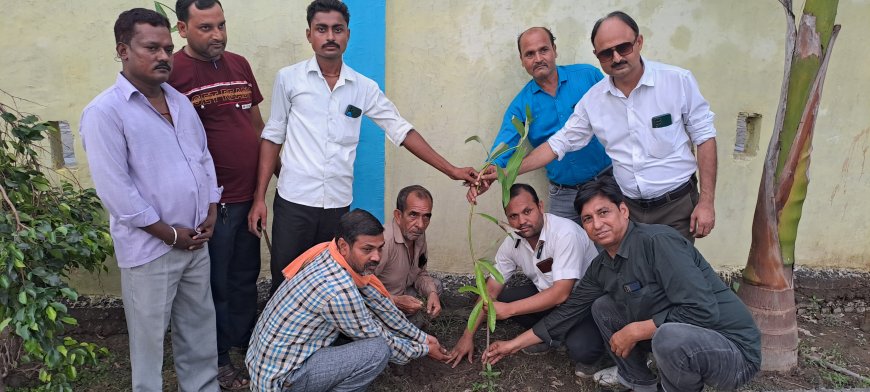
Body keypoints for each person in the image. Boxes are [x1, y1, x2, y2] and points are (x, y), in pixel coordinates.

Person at [249, 0, 478, 295]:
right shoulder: (289, 79)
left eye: (337, 29)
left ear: (347, 34)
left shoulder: (362, 87)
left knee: (330, 284)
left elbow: (400, 129)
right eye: (322, 29)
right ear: (309, 34)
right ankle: (278, 340)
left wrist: (451, 170)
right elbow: (273, 135)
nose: (330, 36)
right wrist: (259, 198)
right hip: (294, 201)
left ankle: (327, 343)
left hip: (337, 205)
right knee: (286, 281)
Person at [481, 177, 760, 392]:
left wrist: (636, 330)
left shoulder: (658, 242)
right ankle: (642, 384)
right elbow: (568, 311)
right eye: (588, 219)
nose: (597, 224)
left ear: (623, 211)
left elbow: (703, 311)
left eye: (604, 213)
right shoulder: (602, 266)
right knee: (602, 306)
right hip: (684, 339)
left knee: (668, 336)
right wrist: (512, 345)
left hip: (732, 351)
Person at [472, 11, 717, 242]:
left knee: (667, 272)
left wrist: (706, 201)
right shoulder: (586, 99)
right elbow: (547, 143)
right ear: (523, 60)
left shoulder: (671, 81)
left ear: (639, 42)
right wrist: (496, 173)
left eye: (623, 47)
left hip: (638, 195)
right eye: (530, 54)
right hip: (594, 199)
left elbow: (704, 136)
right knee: (599, 260)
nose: (617, 58)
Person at [80, 8, 221, 391]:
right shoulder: (105, 112)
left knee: (199, 333)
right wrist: (169, 234)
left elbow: (202, 158)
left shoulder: (180, 102)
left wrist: (210, 210)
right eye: (151, 48)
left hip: (196, 242)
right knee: (148, 342)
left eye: (168, 49)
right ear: (123, 50)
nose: (163, 56)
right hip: (150, 249)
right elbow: (116, 191)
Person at [245, 209, 453, 391]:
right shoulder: (338, 289)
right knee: (377, 351)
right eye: (367, 249)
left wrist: (421, 337)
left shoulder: (330, 252)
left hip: (267, 364)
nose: (377, 257)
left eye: (380, 248)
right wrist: (424, 349)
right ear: (344, 245)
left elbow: (381, 303)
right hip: (282, 380)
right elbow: (380, 339)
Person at [167, 0, 263, 388]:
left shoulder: (239, 64)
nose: (218, 35)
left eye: (221, 25)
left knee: (244, 277)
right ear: (182, 29)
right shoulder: (172, 72)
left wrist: (268, 181)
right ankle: (217, 358)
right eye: (206, 27)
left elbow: (255, 123)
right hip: (212, 205)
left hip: (248, 197)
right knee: (214, 284)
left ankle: (244, 343)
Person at [450, 184, 607, 378]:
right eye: (513, 216)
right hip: (548, 300)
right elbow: (490, 291)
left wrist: (510, 310)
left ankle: (557, 336)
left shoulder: (565, 233)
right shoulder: (512, 241)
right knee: (502, 299)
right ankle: (547, 334)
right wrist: (467, 336)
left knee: (583, 350)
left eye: (527, 211)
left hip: (582, 305)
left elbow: (561, 293)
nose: (522, 221)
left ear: (540, 206)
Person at [476, 27, 612, 223]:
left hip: (605, 182)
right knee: (561, 248)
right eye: (530, 54)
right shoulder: (520, 105)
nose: (538, 58)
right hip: (564, 195)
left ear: (554, 50)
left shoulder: (587, 76)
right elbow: (503, 146)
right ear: (522, 61)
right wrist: (486, 173)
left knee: (614, 246)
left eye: (544, 50)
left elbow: (617, 113)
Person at [374, 185, 444, 319]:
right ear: (398, 215)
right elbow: (361, 286)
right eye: (413, 215)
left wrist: (432, 294)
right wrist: (394, 300)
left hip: (405, 294)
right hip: (381, 305)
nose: (421, 225)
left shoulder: (418, 235)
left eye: (426, 217)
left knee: (435, 287)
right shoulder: (383, 242)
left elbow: (420, 273)